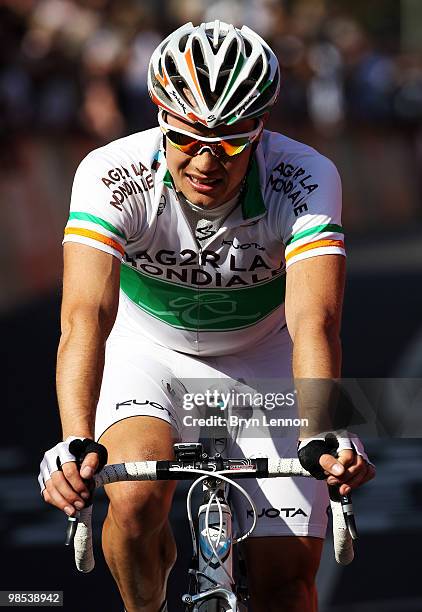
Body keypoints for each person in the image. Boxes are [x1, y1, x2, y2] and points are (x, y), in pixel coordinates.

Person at [38, 21, 375, 612]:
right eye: (187, 138)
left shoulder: (303, 177)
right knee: (137, 497)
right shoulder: (111, 173)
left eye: (232, 142)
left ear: (261, 131)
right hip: (150, 353)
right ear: (159, 119)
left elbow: (313, 321)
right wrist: (72, 440)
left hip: (265, 358)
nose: (206, 161)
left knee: (286, 588)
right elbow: (85, 317)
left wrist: (323, 429)